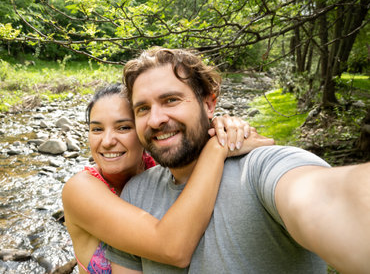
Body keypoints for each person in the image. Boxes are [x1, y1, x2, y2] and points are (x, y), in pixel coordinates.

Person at [105, 48, 370, 274]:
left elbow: (329, 198)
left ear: (209, 104)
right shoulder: (136, 193)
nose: (155, 119)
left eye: (171, 100)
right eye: (143, 109)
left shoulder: (262, 168)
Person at [62, 83, 273, 274]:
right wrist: (216, 148)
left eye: (124, 127)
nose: (107, 141)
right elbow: (173, 249)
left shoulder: (163, 169)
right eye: (96, 129)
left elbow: (189, 134)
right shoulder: (81, 189)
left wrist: (222, 129)